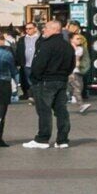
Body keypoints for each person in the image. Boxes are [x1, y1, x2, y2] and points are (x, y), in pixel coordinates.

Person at [25, 19, 78, 149]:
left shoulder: (47, 45)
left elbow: (38, 65)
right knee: (61, 110)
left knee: (44, 110)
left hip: (45, 81)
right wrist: (64, 74)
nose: (44, 30)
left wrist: (35, 78)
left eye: (47, 28)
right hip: (61, 80)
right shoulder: (68, 46)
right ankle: (62, 139)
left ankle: (42, 139)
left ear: (55, 29)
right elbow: (72, 64)